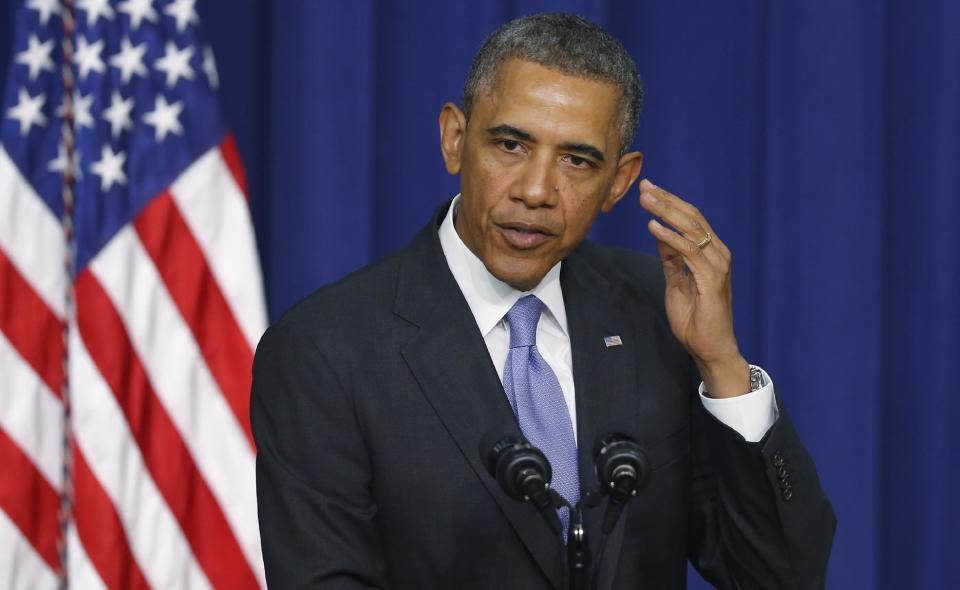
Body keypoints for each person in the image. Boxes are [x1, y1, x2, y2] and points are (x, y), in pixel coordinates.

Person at [252, 12, 836, 589]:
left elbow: (783, 576)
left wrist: (723, 366)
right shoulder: (326, 350)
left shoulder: (657, 314)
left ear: (619, 182)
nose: (535, 191)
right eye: (510, 144)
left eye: (577, 161)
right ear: (455, 139)